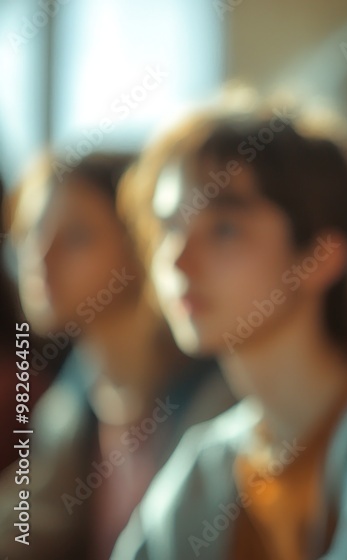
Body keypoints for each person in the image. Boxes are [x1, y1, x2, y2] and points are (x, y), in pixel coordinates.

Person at [111, 103, 347, 560]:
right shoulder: (208, 462)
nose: (177, 261)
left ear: (321, 257)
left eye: (224, 228)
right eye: (169, 227)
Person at [0, 152, 234, 560]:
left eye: (76, 237)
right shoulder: (73, 398)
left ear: (140, 248)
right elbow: (25, 532)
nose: (41, 257)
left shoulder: (214, 394)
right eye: (31, 232)